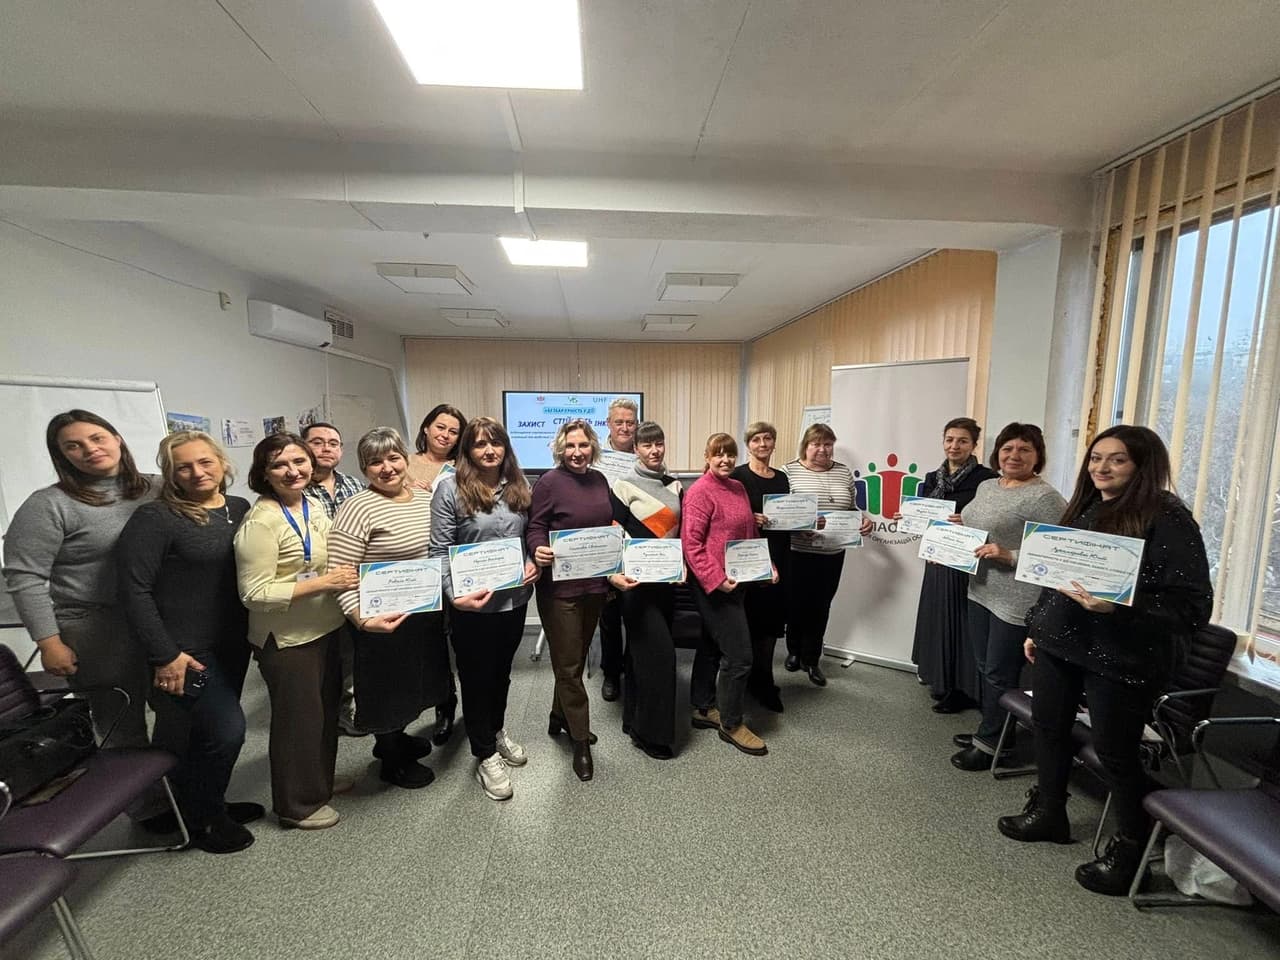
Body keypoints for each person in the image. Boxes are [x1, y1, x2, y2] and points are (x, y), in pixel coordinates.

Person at [997, 425, 1212, 896]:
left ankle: (1130, 847)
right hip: (1062, 641)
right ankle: (1049, 811)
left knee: (1116, 753)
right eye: (1096, 458)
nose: (1101, 468)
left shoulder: (1168, 517)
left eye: (1116, 460)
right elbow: (1054, 575)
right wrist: (1038, 626)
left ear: (1142, 465)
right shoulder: (1085, 506)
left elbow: (1193, 608)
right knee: (1049, 728)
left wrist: (1119, 606)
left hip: (1121, 653)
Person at [2, 411, 160, 794]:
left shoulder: (157, 487)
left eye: (97, 437)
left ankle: (191, 794)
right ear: (62, 456)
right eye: (74, 445)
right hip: (94, 629)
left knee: (184, 707)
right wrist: (48, 642)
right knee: (120, 720)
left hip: (160, 621)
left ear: (117, 439)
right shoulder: (49, 505)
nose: (90, 449)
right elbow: (24, 577)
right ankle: (148, 807)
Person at [116, 431, 257, 853]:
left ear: (222, 464)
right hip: (183, 651)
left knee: (204, 733)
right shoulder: (156, 518)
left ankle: (210, 802)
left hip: (231, 642)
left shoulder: (238, 508)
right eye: (184, 467)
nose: (197, 472)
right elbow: (134, 590)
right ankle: (202, 820)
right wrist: (164, 655)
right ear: (170, 474)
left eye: (205, 462)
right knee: (226, 729)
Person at [235, 433, 359, 830]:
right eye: (280, 465)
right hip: (288, 640)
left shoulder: (311, 506)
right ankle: (296, 804)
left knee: (322, 716)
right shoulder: (261, 521)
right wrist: (325, 583)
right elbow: (254, 594)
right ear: (264, 473)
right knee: (297, 723)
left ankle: (317, 782)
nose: (293, 471)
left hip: (325, 628)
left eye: (299, 462)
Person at [327, 427, 451, 789]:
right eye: (375, 462)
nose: (387, 468)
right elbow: (340, 573)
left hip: (422, 612)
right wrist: (362, 620)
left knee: (415, 680)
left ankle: (397, 737)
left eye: (393, 458)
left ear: (406, 459)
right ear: (364, 468)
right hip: (379, 619)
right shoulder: (357, 508)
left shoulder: (422, 498)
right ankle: (391, 757)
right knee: (386, 689)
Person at [429, 417, 539, 801]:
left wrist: (532, 563)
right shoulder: (449, 490)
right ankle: (484, 754)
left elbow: (526, 538)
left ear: (506, 448)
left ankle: (494, 730)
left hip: (513, 601)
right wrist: (452, 595)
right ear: (467, 451)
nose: (489, 451)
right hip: (470, 607)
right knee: (476, 679)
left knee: (502, 674)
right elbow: (439, 551)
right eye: (479, 444)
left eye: (496, 443)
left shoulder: (519, 487)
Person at [950, 423, 1066, 771]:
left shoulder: (1044, 498)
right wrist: (956, 528)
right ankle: (998, 731)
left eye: (1024, 450)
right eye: (1007, 448)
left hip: (1018, 598)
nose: (1014, 456)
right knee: (986, 667)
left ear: (1038, 456)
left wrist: (1010, 555)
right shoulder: (988, 485)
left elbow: (1059, 553)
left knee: (1000, 672)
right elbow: (980, 524)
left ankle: (989, 745)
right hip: (981, 589)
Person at [528, 419, 613, 782]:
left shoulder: (599, 480)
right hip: (559, 588)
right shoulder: (548, 482)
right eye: (571, 446)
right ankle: (580, 741)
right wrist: (538, 549)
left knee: (573, 659)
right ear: (560, 449)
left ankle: (558, 716)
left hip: (593, 585)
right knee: (567, 664)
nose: (577, 453)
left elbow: (606, 522)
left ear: (592, 446)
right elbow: (535, 525)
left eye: (583, 445)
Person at [682, 432, 777, 757]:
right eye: (717, 454)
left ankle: (703, 707)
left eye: (729, 454)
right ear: (707, 457)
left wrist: (766, 568)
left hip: (739, 582)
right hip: (714, 586)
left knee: (711, 646)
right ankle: (732, 723)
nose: (724, 460)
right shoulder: (698, 493)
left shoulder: (737, 488)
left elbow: (750, 535)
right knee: (739, 657)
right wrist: (716, 579)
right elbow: (692, 545)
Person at [906, 418, 998, 713]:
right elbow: (922, 516)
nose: (954, 446)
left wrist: (968, 520)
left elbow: (991, 519)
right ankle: (940, 680)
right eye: (949, 440)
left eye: (962, 441)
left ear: (974, 445)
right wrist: (908, 517)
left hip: (966, 561)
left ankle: (963, 689)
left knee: (961, 623)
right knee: (937, 618)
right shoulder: (933, 478)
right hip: (936, 558)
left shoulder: (987, 480)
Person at [609, 421, 683, 759]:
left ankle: (632, 718)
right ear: (635, 449)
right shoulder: (623, 486)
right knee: (660, 655)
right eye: (646, 445)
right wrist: (615, 575)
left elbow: (680, 535)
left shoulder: (676, 485)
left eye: (659, 443)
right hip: (636, 584)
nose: (654, 451)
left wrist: (681, 566)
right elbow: (615, 535)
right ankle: (650, 734)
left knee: (639, 652)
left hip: (666, 583)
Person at [781, 423, 875, 687]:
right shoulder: (789, 471)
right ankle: (794, 651)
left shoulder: (844, 472)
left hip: (833, 550)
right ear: (805, 446)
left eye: (827, 444)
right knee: (796, 602)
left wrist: (863, 520)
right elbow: (781, 511)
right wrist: (801, 527)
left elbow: (851, 506)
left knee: (821, 604)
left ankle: (812, 659)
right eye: (816, 444)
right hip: (799, 550)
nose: (822, 449)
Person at [404, 403, 467, 747]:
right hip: (413, 565)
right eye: (439, 427)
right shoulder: (403, 463)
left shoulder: (463, 468)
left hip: (451, 562)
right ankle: (432, 706)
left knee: (453, 640)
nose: (445, 435)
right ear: (426, 427)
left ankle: (450, 706)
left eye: (453, 431)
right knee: (425, 644)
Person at [301, 421, 366, 738]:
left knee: (351, 651)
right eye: (317, 442)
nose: (326, 448)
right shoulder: (294, 488)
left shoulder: (354, 486)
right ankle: (325, 719)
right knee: (324, 660)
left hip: (354, 582)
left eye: (333, 443)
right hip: (314, 587)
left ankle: (349, 709)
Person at [730, 421, 790, 712]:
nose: (763, 444)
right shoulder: (737, 476)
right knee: (747, 624)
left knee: (770, 626)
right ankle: (745, 683)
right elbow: (727, 517)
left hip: (778, 556)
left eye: (768, 438)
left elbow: (788, 518)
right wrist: (748, 518)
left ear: (774, 443)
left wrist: (805, 523)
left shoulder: (782, 479)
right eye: (756, 439)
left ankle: (763, 682)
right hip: (747, 557)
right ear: (748, 444)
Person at [596, 397, 639, 703]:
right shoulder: (595, 455)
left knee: (636, 611)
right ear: (608, 424)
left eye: (630, 422)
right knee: (609, 615)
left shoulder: (647, 453)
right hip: (605, 543)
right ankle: (611, 672)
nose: (625, 427)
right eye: (619, 422)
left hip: (637, 544)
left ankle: (632, 668)